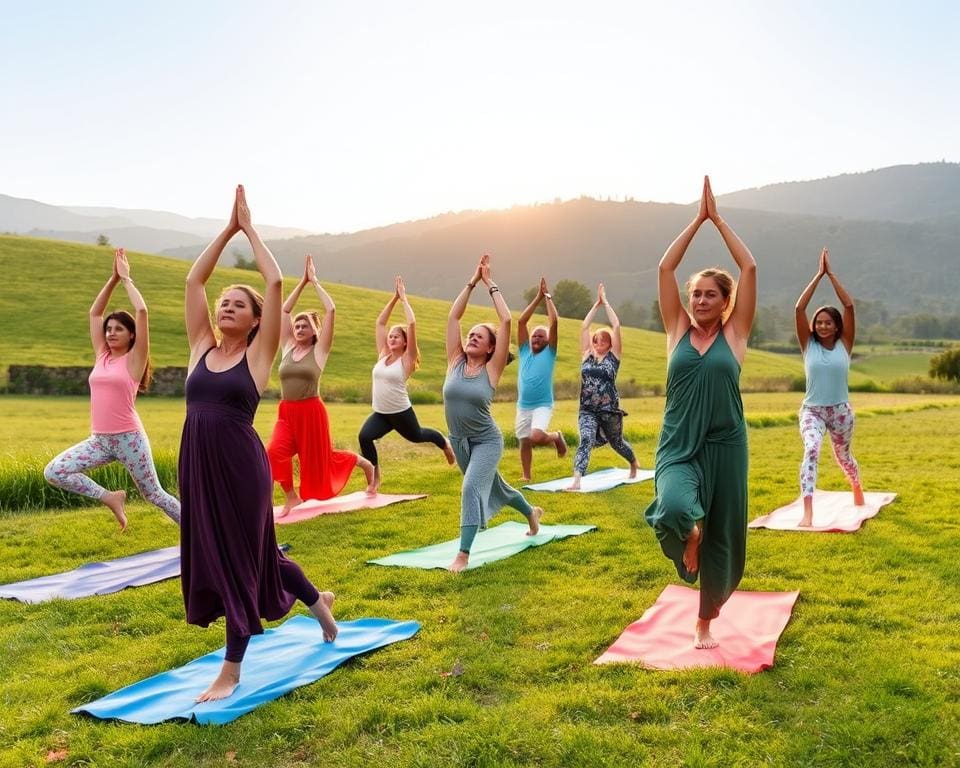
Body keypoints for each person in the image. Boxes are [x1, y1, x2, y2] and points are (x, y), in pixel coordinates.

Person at [180, 185, 337, 702]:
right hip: (198, 465)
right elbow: (193, 279)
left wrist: (250, 228)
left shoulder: (258, 357)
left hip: (241, 468)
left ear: (253, 321)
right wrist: (225, 230)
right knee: (260, 556)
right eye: (222, 302)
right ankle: (319, 605)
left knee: (240, 561)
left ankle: (231, 668)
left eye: (237, 304)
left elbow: (274, 281)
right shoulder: (201, 346)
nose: (225, 305)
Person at [644, 176, 757, 649]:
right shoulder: (676, 329)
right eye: (697, 294)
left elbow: (749, 266)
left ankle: (704, 622)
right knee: (672, 507)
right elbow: (666, 268)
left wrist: (721, 220)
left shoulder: (736, 336)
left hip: (726, 445)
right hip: (678, 444)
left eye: (711, 294)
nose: (701, 300)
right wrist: (697, 220)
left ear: (726, 302)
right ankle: (689, 533)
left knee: (723, 536)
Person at [44, 248, 180, 530]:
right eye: (109, 329)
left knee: (154, 494)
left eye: (118, 329)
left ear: (132, 334)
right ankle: (110, 497)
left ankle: (200, 535)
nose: (110, 332)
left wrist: (128, 280)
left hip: (129, 440)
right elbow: (95, 313)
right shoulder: (102, 355)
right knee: (55, 471)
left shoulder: (134, 359)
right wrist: (113, 278)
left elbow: (142, 311)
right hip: (100, 441)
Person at [444, 255, 544, 573]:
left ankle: (463, 554)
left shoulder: (492, 369)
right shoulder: (455, 361)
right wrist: (471, 281)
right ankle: (531, 512)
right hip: (460, 441)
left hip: (487, 440)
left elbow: (505, 322)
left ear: (491, 348)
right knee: (498, 488)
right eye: (470, 334)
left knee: (472, 488)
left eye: (480, 336)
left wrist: (491, 285)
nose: (472, 336)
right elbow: (453, 317)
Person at [267, 255, 375, 517]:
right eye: (298, 325)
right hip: (287, 412)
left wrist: (315, 282)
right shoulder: (288, 347)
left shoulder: (319, 352)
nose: (300, 327)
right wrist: (302, 282)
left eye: (305, 325)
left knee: (321, 461)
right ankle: (291, 497)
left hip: (311, 412)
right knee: (273, 453)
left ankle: (363, 464)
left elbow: (331, 311)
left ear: (315, 331)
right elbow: (284, 311)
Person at [358, 276, 455, 491]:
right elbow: (380, 323)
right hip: (381, 413)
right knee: (364, 437)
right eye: (390, 336)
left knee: (418, 436)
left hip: (401, 412)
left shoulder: (407, 360)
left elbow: (412, 323)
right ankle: (375, 480)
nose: (391, 338)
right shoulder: (383, 355)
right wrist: (393, 299)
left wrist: (404, 300)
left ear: (405, 342)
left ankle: (444, 443)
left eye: (396, 336)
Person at [795, 247, 864, 527]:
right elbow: (799, 308)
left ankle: (856, 485)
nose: (822, 326)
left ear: (837, 327)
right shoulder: (808, 345)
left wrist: (831, 275)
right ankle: (807, 511)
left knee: (843, 456)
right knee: (811, 448)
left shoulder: (844, 346)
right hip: (812, 411)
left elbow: (849, 307)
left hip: (840, 411)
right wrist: (817, 276)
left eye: (828, 323)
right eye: (819, 322)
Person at [567, 284, 639, 490]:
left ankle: (633, 462)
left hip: (609, 410)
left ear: (609, 343)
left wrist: (605, 303)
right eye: (595, 339)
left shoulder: (614, 358)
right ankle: (577, 480)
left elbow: (616, 326)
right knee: (586, 439)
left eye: (602, 339)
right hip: (587, 409)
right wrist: (595, 305)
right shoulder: (587, 356)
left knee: (617, 443)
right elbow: (584, 327)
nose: (598, 341)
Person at [516, 277, 565, 482]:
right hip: (523, 405)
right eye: (534, 336)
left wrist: (547, 297)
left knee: (536, 436)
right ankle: (526, 476)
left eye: (541, 336)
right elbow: (521, 322)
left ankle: (556, 437)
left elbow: (554, 322)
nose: (536, 338)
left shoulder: (550, 353)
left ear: (548, 341)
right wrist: (536, 298)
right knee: (524, 441)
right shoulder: (524, 351)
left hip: (542, 404)